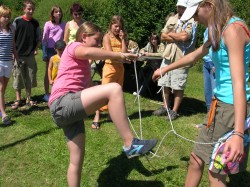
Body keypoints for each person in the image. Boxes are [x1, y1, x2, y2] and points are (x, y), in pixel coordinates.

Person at [152, 0, 250, 186]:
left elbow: (238, 84)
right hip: (218, 104)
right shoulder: (217, 29)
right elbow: (194, 55)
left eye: (196, 14)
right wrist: (165, 69)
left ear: (209, 5)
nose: (195, 20)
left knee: (216, 173)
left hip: (231, 109)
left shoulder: (233, 30)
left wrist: (238, 133)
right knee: (196, 159)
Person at [48, 21, 157, 186]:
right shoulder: (73, 46)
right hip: (63, 103)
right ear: (84, 37)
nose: (99, 45)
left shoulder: (82, 64)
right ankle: (130, 144)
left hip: (67, 111)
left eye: (100, 42)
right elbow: (90, 52)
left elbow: (89, 92)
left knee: (76, 161)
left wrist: (98, 111)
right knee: (113, 89)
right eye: (97, 40)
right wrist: (119, 55)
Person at [153, 0, 197, 120]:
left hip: (181, 58)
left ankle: (174, 111)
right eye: (179, 7)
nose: (180, 9)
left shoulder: (192, 20)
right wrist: (176, 36)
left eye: (182, 7)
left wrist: (171, 35)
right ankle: (165, 107)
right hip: (168, 56)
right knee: (164, 83)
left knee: (178, 85)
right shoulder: (172, 19)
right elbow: (162, 36)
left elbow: (184, 37)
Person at [91, 15, 128, 129]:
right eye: (116, 26)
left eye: (120, 27)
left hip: (120, 69)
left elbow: (124, 53)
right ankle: (96, 117)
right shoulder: (107, 37)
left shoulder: (122, 37)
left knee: (116, 94)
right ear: (111, 25)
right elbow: (109, 54)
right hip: (110, 68)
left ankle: (112, 115)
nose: (117, 29)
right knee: (103, 94)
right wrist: (122, 57)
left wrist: (123, 40)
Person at [11, 0, 41, 109]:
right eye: (29, 8)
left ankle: (29, 98)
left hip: (30, 55)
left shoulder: (36, 23)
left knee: (30, 77)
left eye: (32, 9)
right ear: (24, 9)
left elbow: (38, 38)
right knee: (18, 76)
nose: (31, 11)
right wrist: (13, 52)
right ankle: (18, 99)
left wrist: (36, 49)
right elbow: (12, 38)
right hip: (18, 54)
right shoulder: (17, 21)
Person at [42, 6, 66, 102]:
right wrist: (44, 53)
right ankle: (47, 93)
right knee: (49, 70)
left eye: (60, 11)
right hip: (50, 49)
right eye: (56, 12)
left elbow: (65, 37)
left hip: (61, 49)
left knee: (61, 70)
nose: (59, 13)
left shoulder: (64, 24)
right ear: (53, 14)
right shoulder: (48, 24)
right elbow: (44, 39)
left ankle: (60, 91)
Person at [0, 5, 17, 125]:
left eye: (8, 16)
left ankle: (1, 108)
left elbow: (13, 45)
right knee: (1, 87)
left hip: (8, 62)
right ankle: (4, 114)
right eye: (4, 16)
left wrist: (16, 56)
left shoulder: (11, 29)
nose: (6, 19)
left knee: (3, 88)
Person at [196, 28, 215, 128]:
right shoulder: (208, 28)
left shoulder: (219, 26)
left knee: (214, 94)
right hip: (206, 62)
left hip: (213, 63)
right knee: (207, 93)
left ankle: (214, 122)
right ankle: (208, 120)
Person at [134, 32, 165, 97]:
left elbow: (162, 54)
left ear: (157, 39)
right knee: (141, 72)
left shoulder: (161, 45)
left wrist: (149, 54)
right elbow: (143, 49)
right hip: (150, 65)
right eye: (152, 39)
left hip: (158, 67)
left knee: (148, 77)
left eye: (155, 39)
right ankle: (139, 90)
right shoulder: (149, 44)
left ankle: (141, 93)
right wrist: (142, 51)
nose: (153, 41)